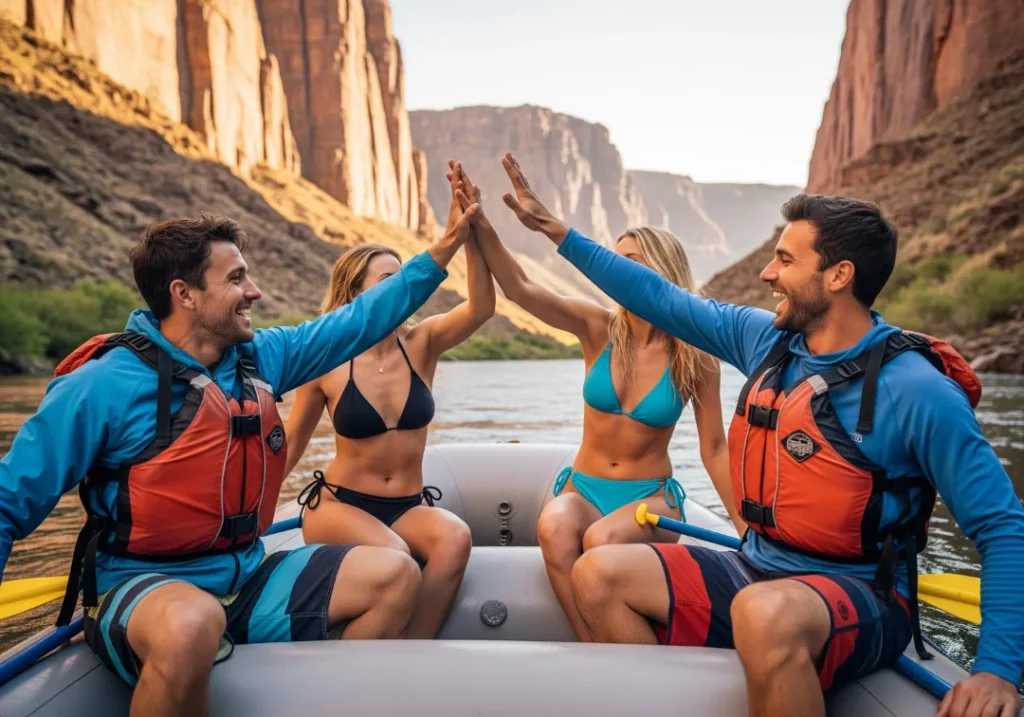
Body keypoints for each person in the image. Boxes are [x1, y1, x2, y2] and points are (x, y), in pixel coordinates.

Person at [497, 153, 1024, 717]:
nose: (767, 274)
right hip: (758, 563)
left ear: (838, 275)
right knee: (598, 574)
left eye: (784, 261)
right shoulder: (763, 341)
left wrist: (996, 669)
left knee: (764, 612)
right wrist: (556, 231)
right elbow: (659, 297)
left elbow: (1001, 527)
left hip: (863, 593)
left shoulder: (917, 391)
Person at [0, 201, 478, 717]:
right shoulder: (101, 385)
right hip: (144, 585)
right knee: (192, 623)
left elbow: (360, 320)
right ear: (184, 294)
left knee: (394, 575)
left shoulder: (261, 358)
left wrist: (448, 243)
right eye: (236, 279)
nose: (255, 291)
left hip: (246, 578)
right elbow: (9, 503)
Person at [447, 160, 742, 642]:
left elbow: (714, 450)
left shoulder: (695, 354)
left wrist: (750, 532)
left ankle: (622, 655)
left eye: (633, 262)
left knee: (602, 542)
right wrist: (479, 220)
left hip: (650, 501)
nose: (619, 270)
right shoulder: (598, 327)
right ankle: (594, 644)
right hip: (583, 489)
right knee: (556, 525)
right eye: (617, 259)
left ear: (661, 272)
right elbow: (520, 288)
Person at [284, 169, 495, 639]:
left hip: (406, 504)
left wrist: (472, 232)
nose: (403, 290)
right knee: (396, 555)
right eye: (388, 280)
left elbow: (482, 308)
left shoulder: (422, 342)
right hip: (340, 505)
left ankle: (412, 650)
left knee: (455, 538)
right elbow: (292, 442)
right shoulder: (327, 358)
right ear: (356, 292)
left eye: (405, 280)